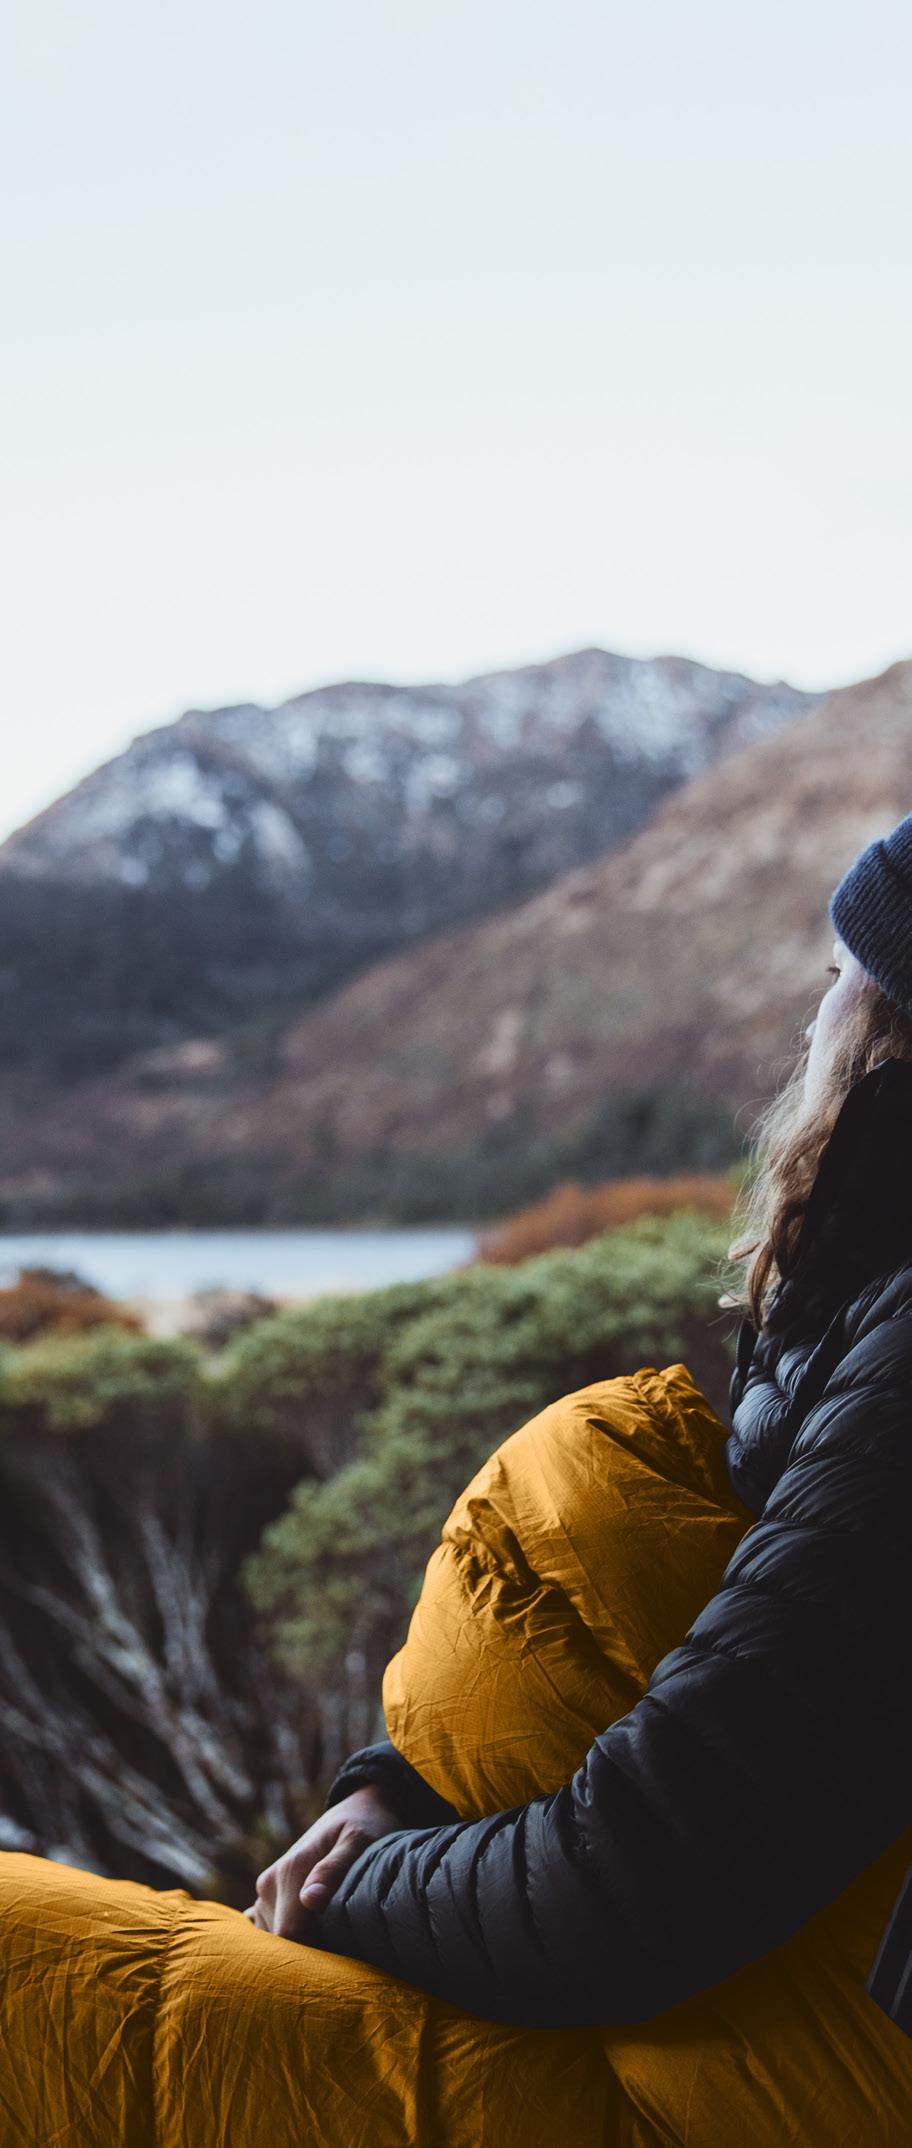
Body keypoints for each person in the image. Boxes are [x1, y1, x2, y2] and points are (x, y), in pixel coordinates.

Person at [246, 811, 912, 2037]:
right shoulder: (869, 1303)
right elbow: (754, 1674)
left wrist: (346, 1888)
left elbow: (639, 1881)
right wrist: (409, 1785)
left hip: (796, 2031)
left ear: (885, 1025)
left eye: (839, 977)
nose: (813, 1018)